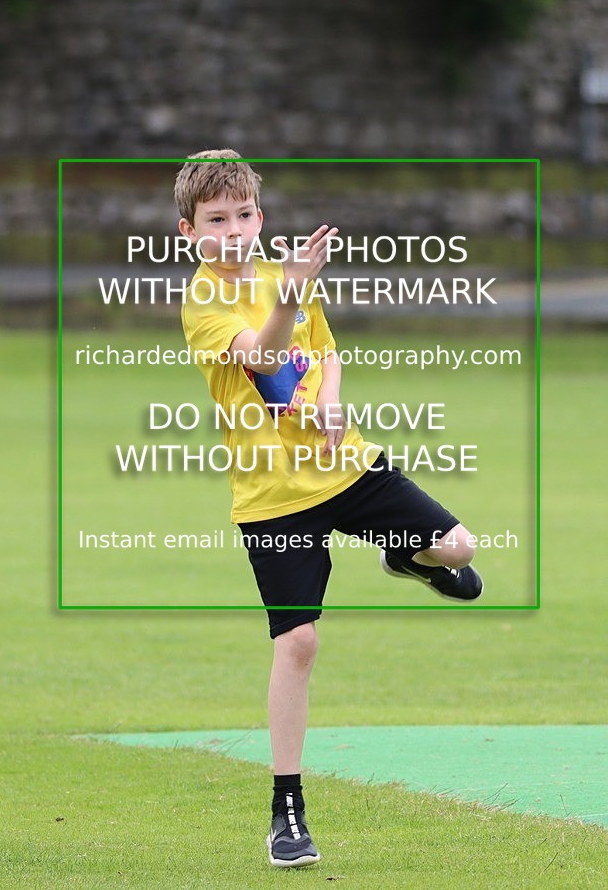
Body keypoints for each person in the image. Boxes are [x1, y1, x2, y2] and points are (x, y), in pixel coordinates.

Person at [175, 150, 483, 868]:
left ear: (260, 217)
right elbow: (262, 355)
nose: (233, 230)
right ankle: (287, 810)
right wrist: (290, 294)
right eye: (215, 220)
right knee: (299, 644)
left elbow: (322, 351)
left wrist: (333, 397)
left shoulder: (281, 277)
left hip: (345, 469)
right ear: (188, 232)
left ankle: (404, 556)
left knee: (461, 550)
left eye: (243, 215)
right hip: (272, 495)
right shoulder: (204, 301)